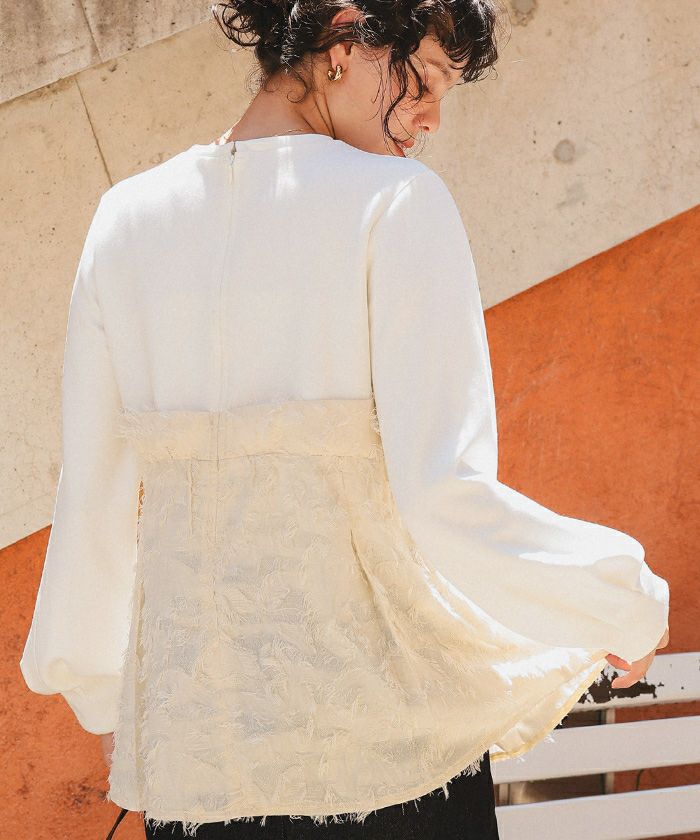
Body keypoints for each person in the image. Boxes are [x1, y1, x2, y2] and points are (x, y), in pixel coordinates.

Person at [19, 0, 670, 838]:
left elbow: (92, 499)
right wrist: (620, 599)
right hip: (391, 757)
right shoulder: (395, 203)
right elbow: (443, 495)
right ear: (346, 37)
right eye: (425, 80)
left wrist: (107, 694)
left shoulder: (125, 220)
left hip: (197, 768)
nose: (432, 120)